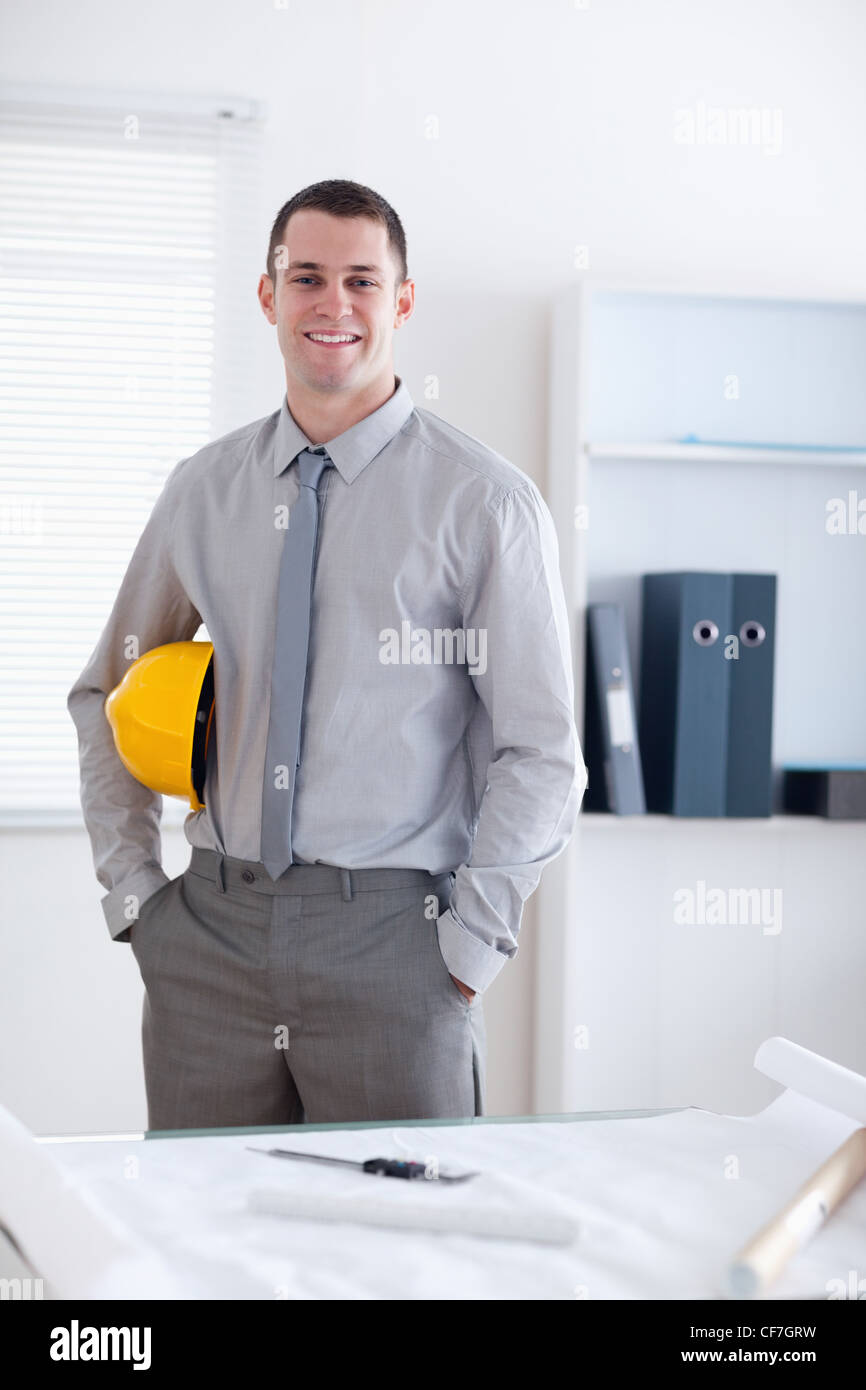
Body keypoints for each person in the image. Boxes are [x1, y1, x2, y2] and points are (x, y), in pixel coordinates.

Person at [67, 178, 587, 1130]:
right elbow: (106, 688)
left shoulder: (485, 504)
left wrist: (469, 952)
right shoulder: (203, 490)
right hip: (209, 946)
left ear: (402, 300)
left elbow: (543, 750)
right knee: (202, 1259)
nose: (333, 305)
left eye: (361, 280)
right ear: (269, 296)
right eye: (306, 277)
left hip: (399, 946)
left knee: (407, 1255)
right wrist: (138, 898)